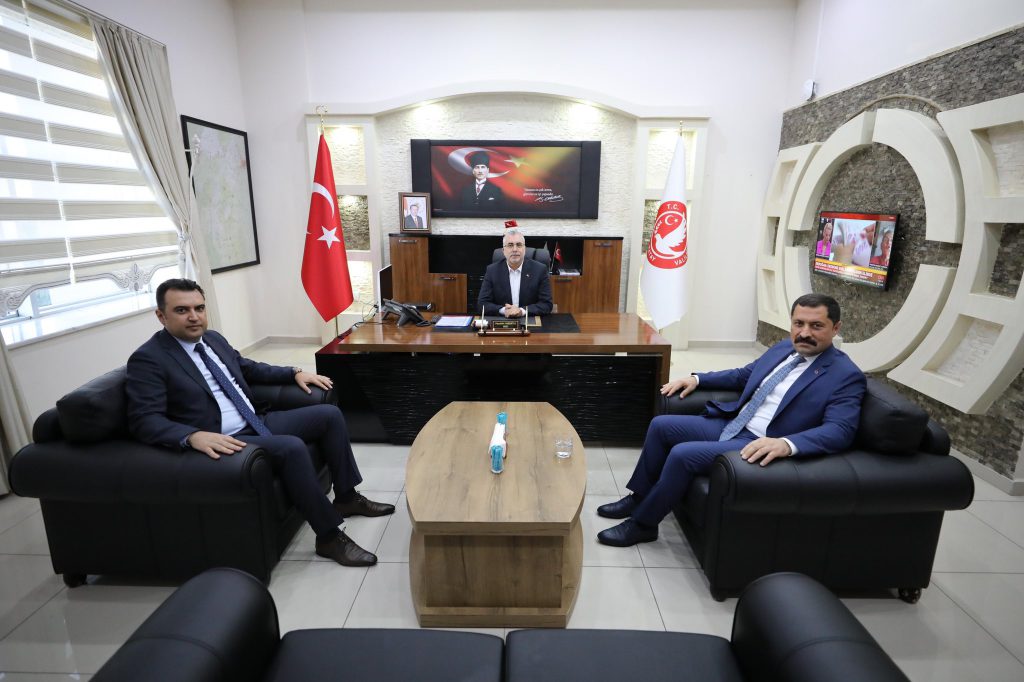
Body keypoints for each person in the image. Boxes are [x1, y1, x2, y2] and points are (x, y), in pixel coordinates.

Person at [125, 278, 394, 567]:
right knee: (291, 447)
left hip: (254, 419)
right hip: (224, 438)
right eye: (182, 310)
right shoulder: (149, 359)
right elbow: (144, 420)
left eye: (199, 308)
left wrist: (293, 372)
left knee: (329, 415)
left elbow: (248, 368)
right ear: (161, 315)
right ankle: (328, 537)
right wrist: (192, 436)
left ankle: (346, 497)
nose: (194, 316)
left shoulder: (212, 339)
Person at [596, 293, 865, 547]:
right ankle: (640, 498)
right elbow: (743, 375)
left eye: (816, 326)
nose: (804, 333)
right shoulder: (785, 348)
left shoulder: (845, 375)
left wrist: (786, 444)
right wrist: (698, 379)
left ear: (836, 328)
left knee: (682, 454)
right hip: (735, 423)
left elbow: (840, 430)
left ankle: (643, 525)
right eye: (799, 323)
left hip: (759, 442)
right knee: (661, 426)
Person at [478, 227, 553, 317]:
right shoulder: (492, 271)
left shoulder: (539, 270)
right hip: (502, 321)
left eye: (519, 245)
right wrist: (504, 310)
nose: (515, 249)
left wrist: (521, 311)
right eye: (510, 245)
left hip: (529, 321)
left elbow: (546, 305)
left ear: (524, 249)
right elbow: (482, 304)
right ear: (503, 251)